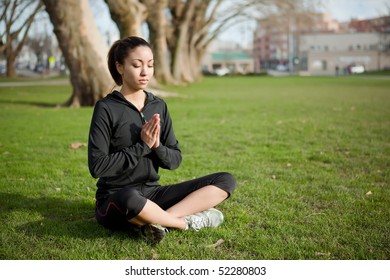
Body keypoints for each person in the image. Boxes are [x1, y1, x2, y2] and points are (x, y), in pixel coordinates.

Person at [88, 36, 237, 243]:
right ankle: (183, 223)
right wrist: (142, 146)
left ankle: (157, 220)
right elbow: (97, 167)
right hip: (117, 198)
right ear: (120, 67)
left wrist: (157, 146)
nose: (145, 72)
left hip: (153, 194)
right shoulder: (106, 108)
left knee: (225, 180)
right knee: (129, 197)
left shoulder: (159, 106)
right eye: (136, 65)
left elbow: (174, 160)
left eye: (150, 65)